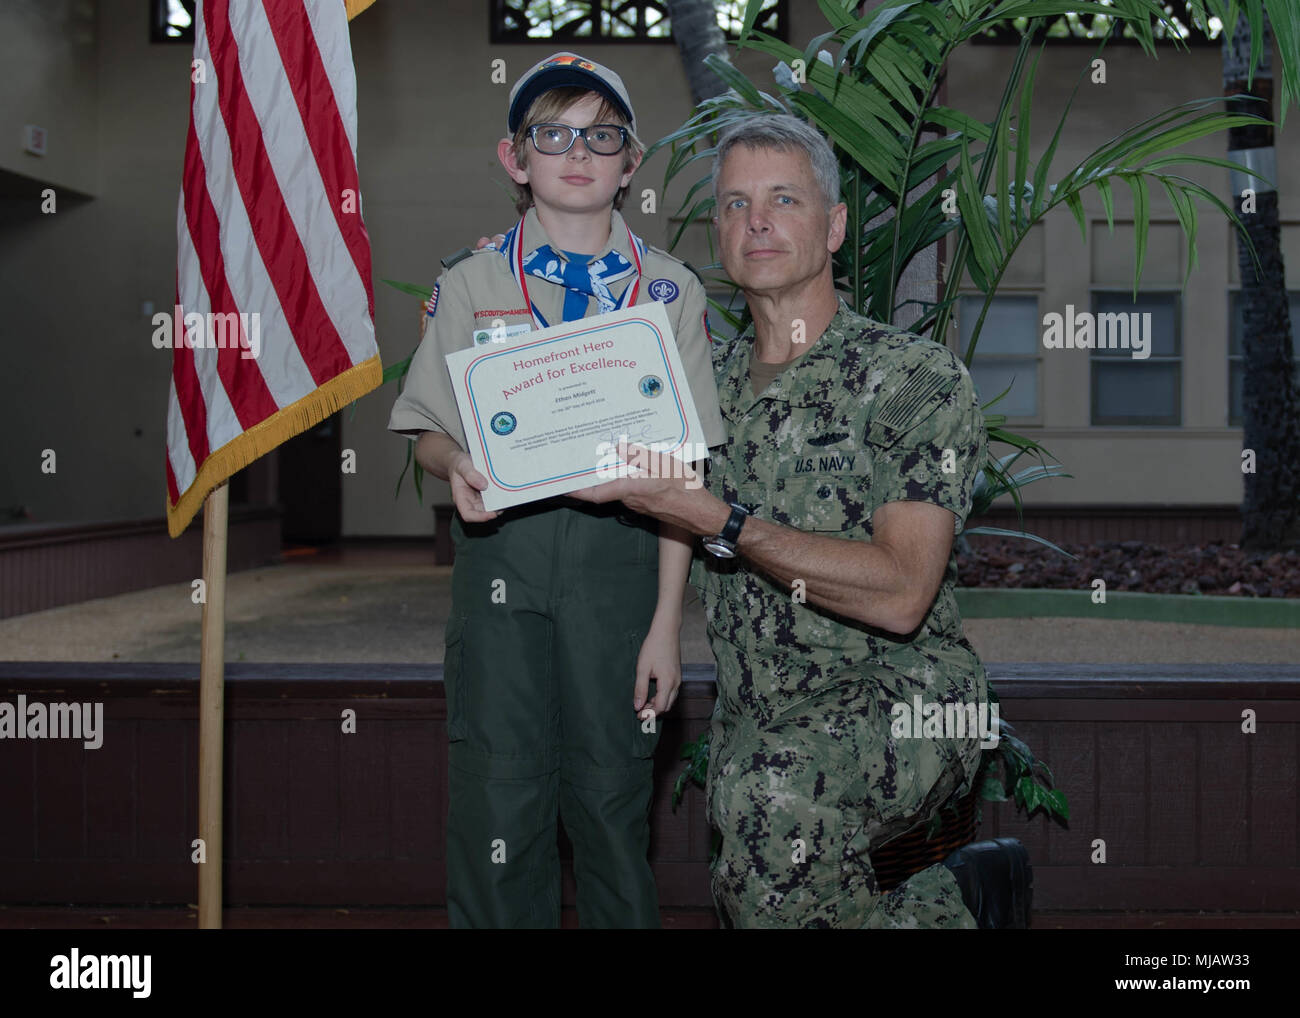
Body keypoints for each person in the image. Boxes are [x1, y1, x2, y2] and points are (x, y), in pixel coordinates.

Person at [570, 114, 989, 928]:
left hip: (906, 701)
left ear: (833, 227)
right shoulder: (693, 389)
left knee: (774, 802)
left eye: (783, 199)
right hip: (757, 716)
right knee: (832, 885)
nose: (755, 221)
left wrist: (723, 520)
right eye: (733, 204)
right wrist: (484, 372)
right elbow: (585, 441)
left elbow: (904, 592)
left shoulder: (912, 378)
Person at [387, 52, 726, 928]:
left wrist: (664, 627)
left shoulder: (670, 292)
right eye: (553, 135)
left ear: (630, 162)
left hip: (622, 574)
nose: (578, 153)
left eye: (601, 136)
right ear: (516, 158)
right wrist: (452, 464)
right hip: (502, 564)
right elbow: (429, 428)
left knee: (615, 808)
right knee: (496, 804)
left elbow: (683, 478)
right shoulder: (471, 282)